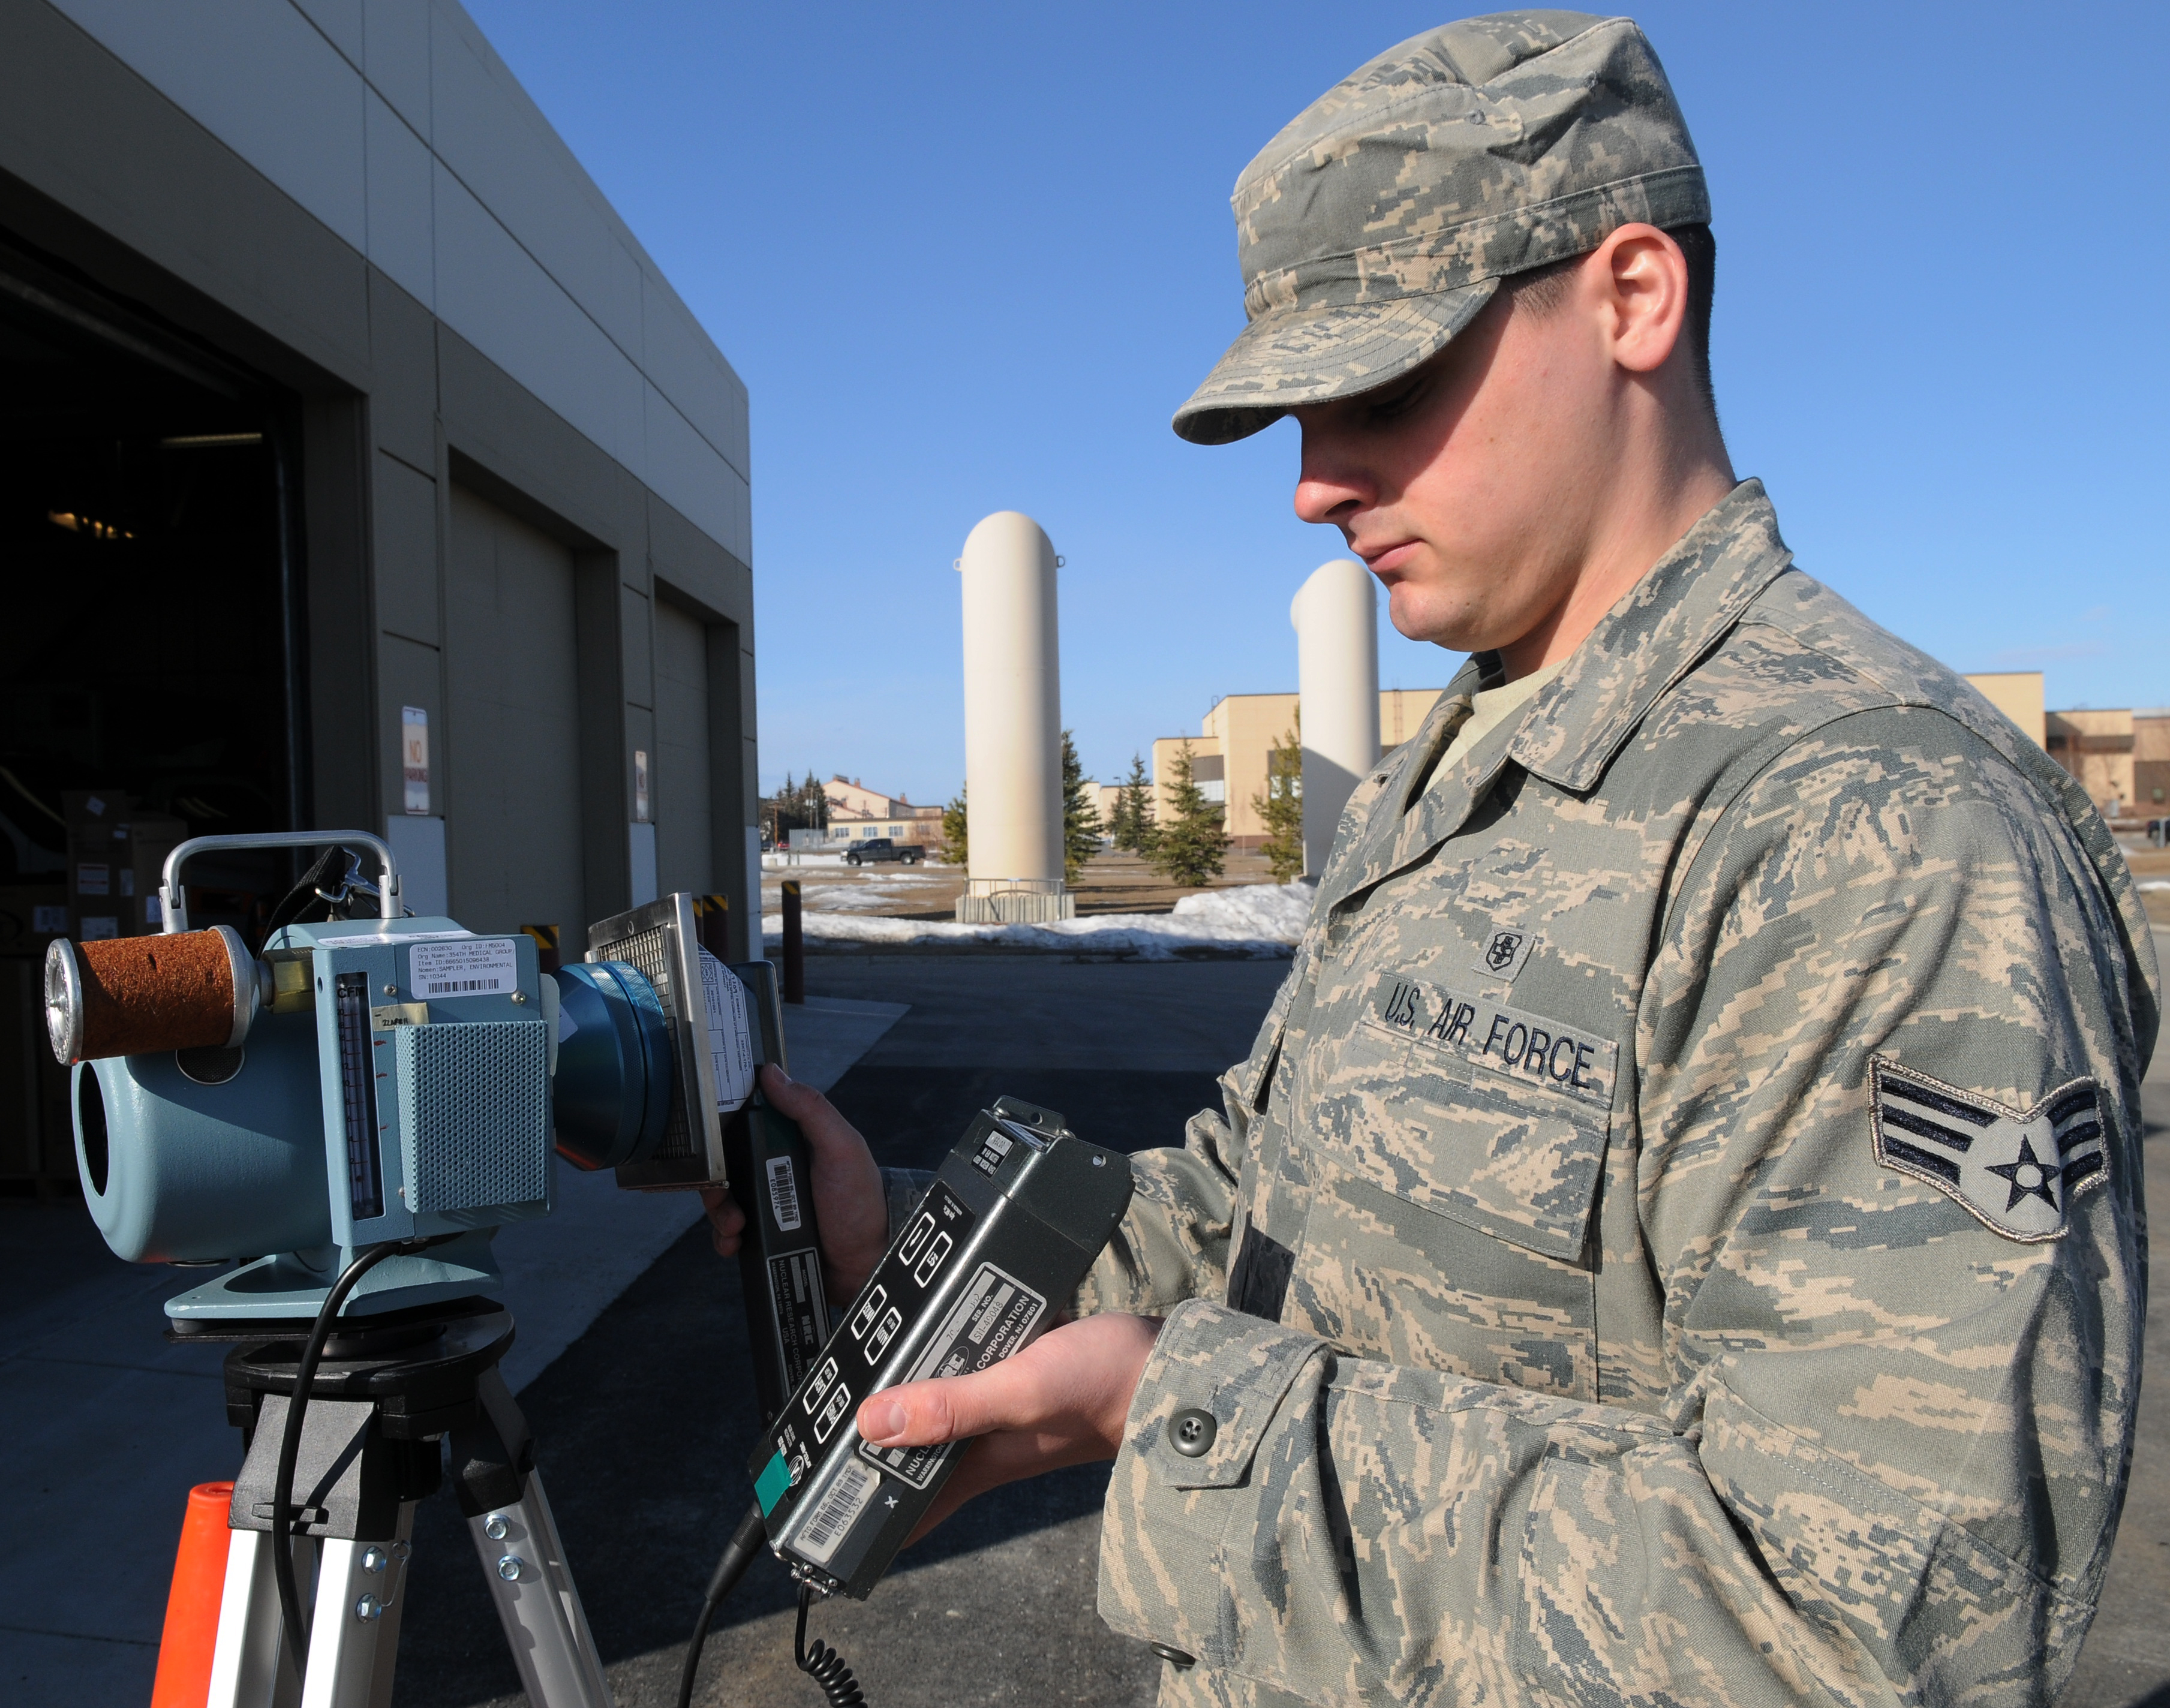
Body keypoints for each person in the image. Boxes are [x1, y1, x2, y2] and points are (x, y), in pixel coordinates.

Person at [705, 13, 2156, 1704]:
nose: (1315, 486)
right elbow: (1268, 1205)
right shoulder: (1464, 757)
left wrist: (1170, 1412)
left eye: (1381, 386)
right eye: (1297, 415)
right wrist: (934, 1272)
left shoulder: (1877, 829)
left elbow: (1873, 1632)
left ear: (1631, 298)